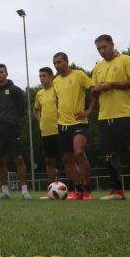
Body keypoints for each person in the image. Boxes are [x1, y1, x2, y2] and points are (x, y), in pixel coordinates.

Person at [89, 35, 130, 201]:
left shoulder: (125, 59)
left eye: (104, 47)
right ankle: (117, 190)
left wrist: (112, 84)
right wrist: (96, 91)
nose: (102, 51)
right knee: (109, 154)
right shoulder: (98, 67)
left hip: (124, 114)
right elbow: (93, 90)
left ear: (112, 45)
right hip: (105, 116)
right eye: (98, 49)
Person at [52, 52, 93, 200]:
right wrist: (57, 115)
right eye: (55, 63)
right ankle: (78, 189)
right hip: (62, 124)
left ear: (67, 61)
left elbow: (94, 90)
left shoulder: (79, 75)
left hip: (79, 122)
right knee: (67, 159)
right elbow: (57, 99)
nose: (57, 65)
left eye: (59, 62)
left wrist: (88, 110)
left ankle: (87, 188)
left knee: (79, 152)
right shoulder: (55, 81)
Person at [0, 64, 31, 200]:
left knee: (19, 159)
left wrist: (11, 120)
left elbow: (22, 109)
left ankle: (24, 191)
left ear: (6, 74)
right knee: (1, 161)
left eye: (1, 72)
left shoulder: (15, 90)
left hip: (13, 130)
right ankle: (5, 191)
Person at [34, 67, 61, 199]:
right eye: (40, 76)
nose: (42, 78)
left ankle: (76, 189)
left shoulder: (57, 88)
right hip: (46, 131)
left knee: (68, 159)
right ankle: (51, 191)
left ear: (51, 76)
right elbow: (36, 110)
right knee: (49, 161)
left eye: (44, 76)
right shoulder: (39, 94)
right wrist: (40, 122)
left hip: (60, 128)